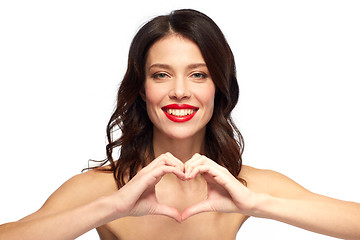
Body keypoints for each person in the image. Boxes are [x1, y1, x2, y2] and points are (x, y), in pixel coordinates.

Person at [0, 9, 359, 240]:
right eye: (161, 75)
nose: (180, 92)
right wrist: (111, 207)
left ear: (218, 88)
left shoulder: (243, 185)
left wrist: (256, 204)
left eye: (198, 75)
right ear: (142, 89)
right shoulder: (102, 188)